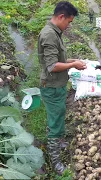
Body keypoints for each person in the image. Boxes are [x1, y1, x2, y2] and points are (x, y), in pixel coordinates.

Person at [38, 1, 87, 175]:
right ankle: (55, 159)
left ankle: (57, 141)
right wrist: (73, 65)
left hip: (57, 84)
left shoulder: (55, 32)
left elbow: (57, 59)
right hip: (52, 86)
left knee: (57, 116)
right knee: (56, 121)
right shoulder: (50, 35)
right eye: (69, 22)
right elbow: (52, 66)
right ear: (61, 17)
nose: (69, 25)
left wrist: (73, 61)